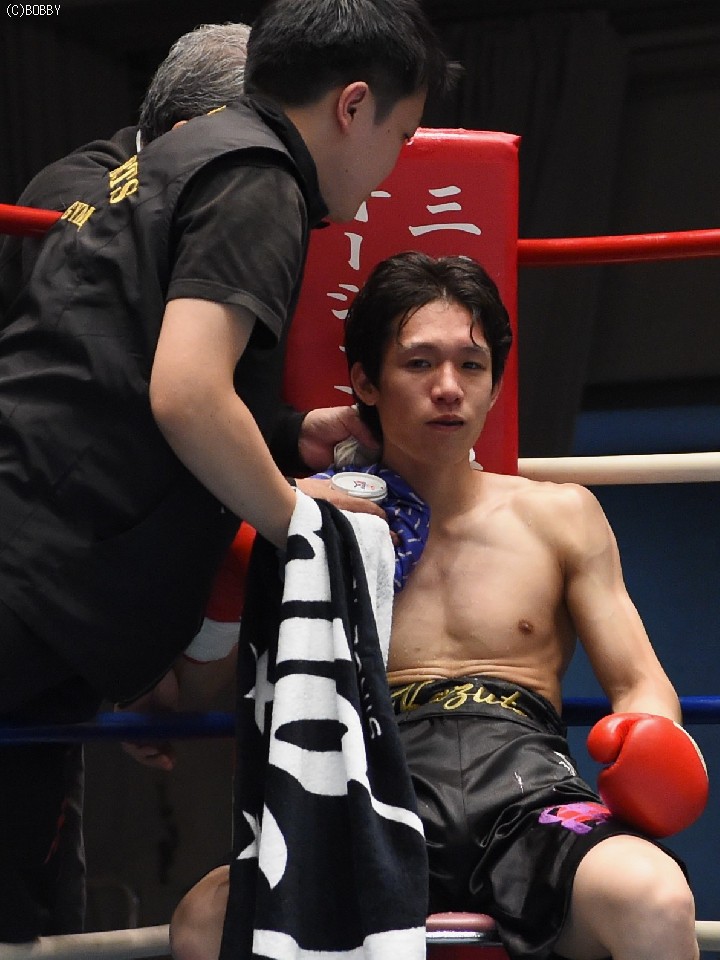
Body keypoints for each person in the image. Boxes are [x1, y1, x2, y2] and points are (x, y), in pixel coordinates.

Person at [0, 2, 457, 941]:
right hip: (38, 574)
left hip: (42, 562)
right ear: (353, 106)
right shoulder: (262, 177)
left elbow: (117, 364)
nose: (392, 170)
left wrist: (286, 436)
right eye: (403, 136)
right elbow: (184, 394)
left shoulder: (166, 157)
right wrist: (305, 521)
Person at [169, 252, 706, 960]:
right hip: (364, 790)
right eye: (420, 363)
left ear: (495, 383)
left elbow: (640, 682)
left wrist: (651, 739)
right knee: (204, 921)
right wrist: (247, 562)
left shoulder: (561, 515)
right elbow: (203, 686)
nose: (448, 389)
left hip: (531, 797)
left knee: (655, 897)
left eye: (471, 366)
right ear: (366, 381)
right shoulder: (305, 520)